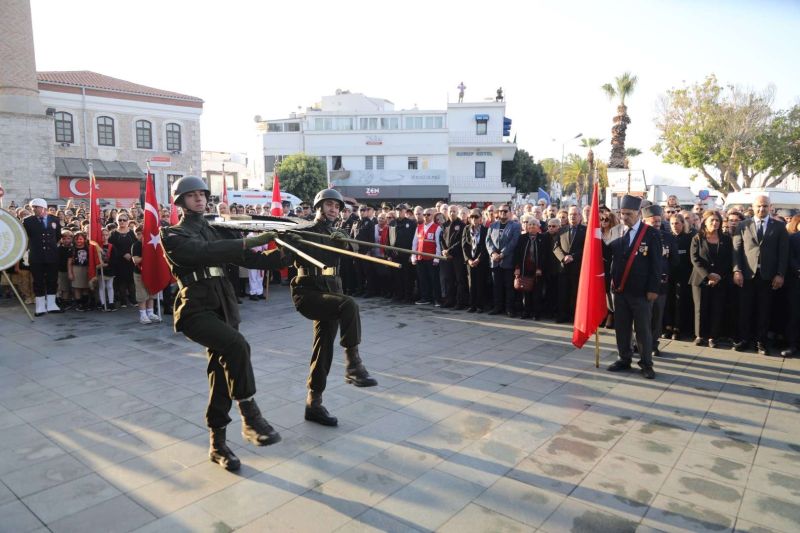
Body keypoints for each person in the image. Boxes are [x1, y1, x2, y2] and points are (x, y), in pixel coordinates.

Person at [160, 176, 292, 471]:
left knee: (221, 372)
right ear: (180, 201)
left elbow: (251, 259)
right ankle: (249, 414)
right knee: (236, 345)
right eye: (191, 195)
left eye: (201, 194)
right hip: (196, 310)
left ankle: (217, 444)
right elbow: (202, 253)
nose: (198, 199)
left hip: (225, 308)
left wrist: (288, 251)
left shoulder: (216, 230)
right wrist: (245, 240)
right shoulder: (173, 234)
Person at [288, 188, 378, 427]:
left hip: (332, 289)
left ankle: (313, 403)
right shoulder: (304, 230)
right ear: (318, 207)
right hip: (309, 291)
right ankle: (353, 365)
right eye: (329, 204)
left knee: (323, 348)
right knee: (349, 305)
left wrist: (347, 243)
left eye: (337, 207)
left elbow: (351, 253)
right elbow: (284, 255)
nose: (333, 209)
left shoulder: (335, 232)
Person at [605, 195, 662, 379]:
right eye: (622, 213)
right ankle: (624, 358)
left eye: (628, 214)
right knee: (621, 327)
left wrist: (654, 288)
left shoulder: (651, 234)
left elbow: (656, 264)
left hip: (641, 292)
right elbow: (606, 254)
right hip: (620, 290)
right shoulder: (616, 231)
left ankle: (646, 363)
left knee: (643, 329)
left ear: (638, 213)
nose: (624, 217)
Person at [732, 194, 789, 355]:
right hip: (747, 275)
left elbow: (783, 253)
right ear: (753, 206)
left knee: (764, 311)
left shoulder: (779, 227)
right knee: (745, 309)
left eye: (765, 206)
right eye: (759, 206)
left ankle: (761, 342)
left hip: (768, 276)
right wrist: (737, 270)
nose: (761, 209)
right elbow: (736, 251)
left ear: (770, 207)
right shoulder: (743, 225)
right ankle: (744, 339)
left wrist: (780, 274)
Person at [690, 210, 732, 348]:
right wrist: (708, 275)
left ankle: (713, 337)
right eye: (712, 220)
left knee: (717, 308)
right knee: (700, 308)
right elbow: (695, 259)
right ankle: (699, 335)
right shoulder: (697, 238)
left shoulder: (726, 239)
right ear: (705, 223)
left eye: (717, 220)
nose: (715, 223)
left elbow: (728, 260)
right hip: (700, 279)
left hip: (720, 279)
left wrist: (718, 276)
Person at [642, 205, 678, 357]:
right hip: (642, 284)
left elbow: (674, 260)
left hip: (660, 284)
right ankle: (639, 343)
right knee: (641, 317)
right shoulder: (639, 237)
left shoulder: (668, 237)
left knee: (657, 316)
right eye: (653, 221)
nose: (657, 223)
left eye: (659, 220)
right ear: (644, 221)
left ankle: (653, 344)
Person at [22, 198, 63, 316]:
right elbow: (25, 238)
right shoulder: (28, 221)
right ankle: (40, 306)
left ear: (43, 207)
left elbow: (58, 236)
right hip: (36, 256)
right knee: (38, 281)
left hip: (52, 255)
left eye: (36, 207)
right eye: (32, 207)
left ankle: (51, 304)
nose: (33, 209)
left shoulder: (54, 219)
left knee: (52, 280)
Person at [486, 204, 520, 317]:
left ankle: (509, 309)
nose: (503, 213)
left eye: (505, 211)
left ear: (510, 212)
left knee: (509, 287)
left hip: (508, 261)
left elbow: (513, 242)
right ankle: (497, 307)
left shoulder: (515, 226)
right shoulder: (492, 225)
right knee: (496, 286)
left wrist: (502, 254)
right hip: (495, 261)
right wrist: (493, 253)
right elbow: (488, 241)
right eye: (500, 211)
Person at [553, 206, 586, 323]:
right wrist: (563, 257)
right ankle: (563, 315)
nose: (572, 216)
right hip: (564, 267)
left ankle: (575, 316)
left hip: (577, 268)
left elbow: (586, 249)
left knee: (576, 293)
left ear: (580, 216)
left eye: (575, 214)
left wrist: (573, 256)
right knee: (563, 293)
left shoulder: (585, 230)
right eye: (571, 214)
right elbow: (556, 247)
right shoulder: (562, 229)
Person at [665, 213, 694, 340]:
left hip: (683, 275)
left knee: (679, 302)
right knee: (668, 301)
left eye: (677, 223)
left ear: (683, 224)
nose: (674, 226)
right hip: (669, 274)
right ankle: (668, 326)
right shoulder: (668, 237)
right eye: (672, 223)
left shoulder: (689, 238)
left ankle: (678, 328)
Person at [514, 215, 545, 319]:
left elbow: (545, 255)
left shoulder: (542, 238)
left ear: (538, 227)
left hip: (537, 271)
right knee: (526, 292)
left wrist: (540, 268)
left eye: (534, 224)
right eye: (530, 224)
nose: (531, 226)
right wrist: (517, 268)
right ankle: (526, 312)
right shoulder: (522, 238)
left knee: (537, 293)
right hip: (524, 269)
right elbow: (517, 254)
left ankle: (536, 313)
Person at [130, 226, 161, 324]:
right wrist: (146, 256)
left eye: (141, 233)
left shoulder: (151, 243)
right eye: (138, 234)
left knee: (151, 294)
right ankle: (143, 315)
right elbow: (135, 260)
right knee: (142, 295)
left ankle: (150, 313)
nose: (140, 236)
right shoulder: (136, 245)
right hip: (139, 273)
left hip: (151, 272)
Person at [411, 208, 442, 305]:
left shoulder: (437, 228)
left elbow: (438, 244)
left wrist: (437, 258)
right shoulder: (419, 227)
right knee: (422, 279)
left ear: (433, 215)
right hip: (420, 258)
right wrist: (413, 256)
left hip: (431, 258)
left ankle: (437, 299)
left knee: (434, 280)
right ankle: (425, 298)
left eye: (428, 214)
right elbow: (414, 243)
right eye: (424, 215)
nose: (426, 216)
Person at [440, 204, 468, 309]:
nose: (452, 213)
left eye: (454, 211)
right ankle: (449, 300)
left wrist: (450, 251)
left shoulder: (462, 225)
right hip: (447, 257)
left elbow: (461, 241)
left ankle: (459, 303)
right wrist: (444, 250)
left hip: (458, 257)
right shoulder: (445, 225)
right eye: (450, 211)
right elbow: (441, 239)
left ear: (457, 212)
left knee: (459, 280)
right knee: (449, 279)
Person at [108, 212, 137, 308]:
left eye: (124, 220)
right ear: (117, 221)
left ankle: (133, 300)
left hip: (131, 260)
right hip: (119, 260)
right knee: (121, 281)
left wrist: (130, 254)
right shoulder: (113, 233)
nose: (122, 222)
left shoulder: (132, 233)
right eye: (120, 220)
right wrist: (123, 254)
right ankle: (123, 301)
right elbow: (112, 247)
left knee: (132, 281)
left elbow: (135, 245)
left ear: (128, 221)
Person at [463, 208, 489, 313]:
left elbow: (485, 247)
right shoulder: (466, 229)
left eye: (476, 217)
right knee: (471, 284)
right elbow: (464, 245)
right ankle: (472, 305)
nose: (473, 219)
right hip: (470, 261)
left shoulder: (485, 230)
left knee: (480, 284)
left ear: (481, 218)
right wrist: (468, 259)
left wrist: (479, 259)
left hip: (480, 262)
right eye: (471, 217)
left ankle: (480, 306)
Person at [781, 215, 800, 357]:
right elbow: (789, 258)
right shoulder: (794, 238)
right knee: (794, 314)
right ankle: (792, 344)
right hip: (796, 282)